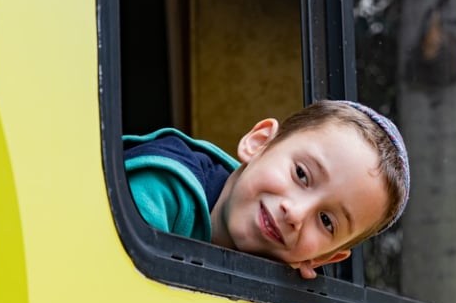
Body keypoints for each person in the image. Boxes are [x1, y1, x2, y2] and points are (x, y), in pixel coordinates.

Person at [124, 100, 409, 279]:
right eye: (301, 174)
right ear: (259, 143)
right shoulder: (163, 185)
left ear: (322, 258)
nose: (296, 213)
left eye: (326, 221)